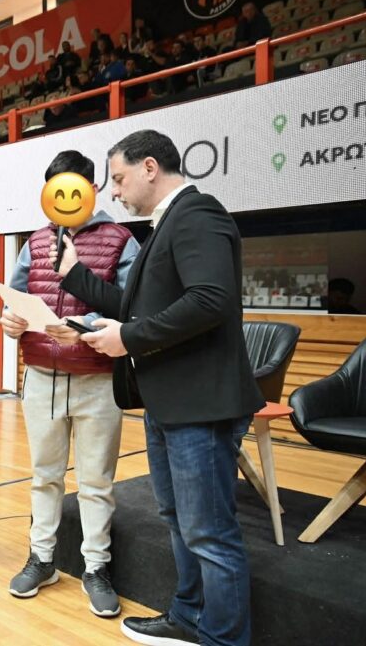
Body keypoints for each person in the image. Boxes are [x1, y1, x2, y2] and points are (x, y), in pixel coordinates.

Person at [52, 130, 262, 646]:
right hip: (170, 403)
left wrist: (127, 337)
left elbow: (211, 300)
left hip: (200, 405)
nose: (113, 191)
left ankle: (223, 637)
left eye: (118, 178)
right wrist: (77, 278)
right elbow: (137, 307)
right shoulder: (166, 224)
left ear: (149, 167)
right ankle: (188, 617)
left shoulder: (198, 214)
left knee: (209, 533)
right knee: (180, 521)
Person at [1, 151, 139, 617]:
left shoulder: (121, 240)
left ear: (91, 189)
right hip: (41, 375)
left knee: (96, 481)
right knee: (44, 476)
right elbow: (17, 297)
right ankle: (42, 559)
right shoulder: (35, 241)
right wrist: (11, 320)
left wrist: (84, 326)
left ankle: (97, 567)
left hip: (98, 379)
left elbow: (130, 305)